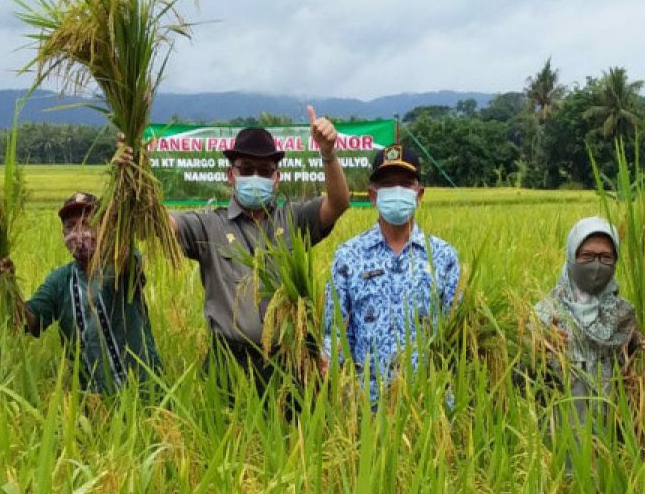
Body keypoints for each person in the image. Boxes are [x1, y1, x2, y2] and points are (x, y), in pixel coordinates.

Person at [154, 107, 350, 402]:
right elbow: (161, 226)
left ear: (277, 177)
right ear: (230, 175)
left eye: (265, 171)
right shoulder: (209, 225)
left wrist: (328, 154)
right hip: (228, 363)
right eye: (246, 170)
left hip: (286, 361)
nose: (255, 176)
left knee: (291, 443)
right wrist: (133, 174)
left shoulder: (293, 220)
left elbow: (338, 203)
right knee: (224, 444)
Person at [322, 143, 460, 408]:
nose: (396, 191)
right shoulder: (349, 256)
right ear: (373, 196)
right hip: (364, 408)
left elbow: (455, 337)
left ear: (419, 194)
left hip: (429, 405)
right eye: (387, 185)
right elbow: (334, 331)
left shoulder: (443, 257)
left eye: (405, 184)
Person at [0, 192, 162, 393]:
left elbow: (127, 257)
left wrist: (120, 209)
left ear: (104, 228)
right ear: (63, 234)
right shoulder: (60, 281)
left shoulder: (121, 265)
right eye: (70, 226)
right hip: (94, 404)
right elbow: (28, 322)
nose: (79, 232)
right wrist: (7, 282)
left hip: (146, 393)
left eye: (87, 223)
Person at [530, 217, 645, 437]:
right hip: (560, 434)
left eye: (605, 258)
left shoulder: (625, 314)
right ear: (571, 256)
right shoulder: (545, 313)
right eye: (587, 256)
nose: (596, 265)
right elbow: (519, 377)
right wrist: (540, 349)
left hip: (613, 432)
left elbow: (638, 374)